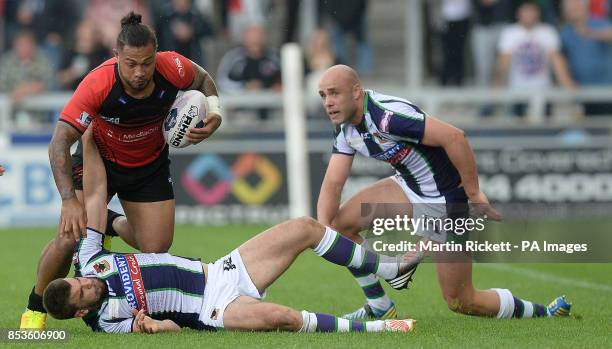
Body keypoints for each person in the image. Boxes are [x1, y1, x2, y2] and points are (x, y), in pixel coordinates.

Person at [41, 130, 417, 334]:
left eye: (80, 283)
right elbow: (172, 329)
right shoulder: (107, 320)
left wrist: (90, 135)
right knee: (285, 318)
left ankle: (386, 269)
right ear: (80, 313)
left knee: (305, 227)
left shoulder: (91, 261)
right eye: (82, 294)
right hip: (213, 309)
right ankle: (378, 329)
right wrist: (153, 327)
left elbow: (93, 195)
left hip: (220, 272)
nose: (87, 285)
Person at [316, 64, 571, 321]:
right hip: (408, 186)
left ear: (357, 92)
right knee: (339, 226)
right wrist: (323, 236)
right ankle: (381, 303)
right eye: (323, 95)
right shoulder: (344, 126)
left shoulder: (387, 116)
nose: (328, 102)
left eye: (334, 93)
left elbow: (455, 137)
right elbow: (333, 184)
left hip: (447, 199)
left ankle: (545, 313)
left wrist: (474, 193)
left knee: (461, 301)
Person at [20, 11, 223, 329]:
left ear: (156, 55)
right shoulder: (98, 83)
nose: (140, 72)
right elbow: (58, 142)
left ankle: (106, 224)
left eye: (147, 62)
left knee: (155, 248)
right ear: (117, 57)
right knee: (69, 237)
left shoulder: (173, 66)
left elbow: (203, 80)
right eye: (131, 64)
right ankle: (34, 308)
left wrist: (215, 114)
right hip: (99, 158)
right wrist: (69, 202)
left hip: (149, 163)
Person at [495, 0, 575, 117]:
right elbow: (503, 65)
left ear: (538, 13)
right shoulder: (510, 33)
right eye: (525, 10)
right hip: (518, 92)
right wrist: (497, 88)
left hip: (543, 91)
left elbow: (557, 62)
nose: (529, 14)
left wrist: (569, 87)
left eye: (532, 10)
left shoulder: (547, 32)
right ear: (518, 13)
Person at [560, 0, 612, 116]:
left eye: (574, 7)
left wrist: (592, 34)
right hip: (581, 93)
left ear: (584, 8)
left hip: (605, 90)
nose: (570, 10)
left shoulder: (599, 23)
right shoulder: (565, 31)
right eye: (567, 8)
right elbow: (562, 60)